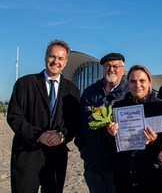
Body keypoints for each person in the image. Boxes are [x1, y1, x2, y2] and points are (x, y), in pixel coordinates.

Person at [7, 40, 81, 193]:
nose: (56, 61)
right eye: (52, 56)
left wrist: (63, 135)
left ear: (66, 62)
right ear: (45, 57)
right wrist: (38, 135)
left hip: (56, 156)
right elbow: (14, 116)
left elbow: (75, 122)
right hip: (27, 153)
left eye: (61, 58)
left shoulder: (72, 90)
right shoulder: (25, 83)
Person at [107, 65, 162, 193]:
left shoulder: (161, 106)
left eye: (142, 80)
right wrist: (110, 133)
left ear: (149, 82)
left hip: (153, 177)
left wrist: (156, 141)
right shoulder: (118, 107)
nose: (137, 85)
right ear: (128, 83)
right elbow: (111, 145)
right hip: (125, 177)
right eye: (133, 81)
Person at [74, 53, 129, 193]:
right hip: (93, 162)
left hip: (118, 165)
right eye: (107, 66)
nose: (111, 69)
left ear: (123, 69)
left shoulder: (129, 92)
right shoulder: (90, 92)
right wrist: (84, 148)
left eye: (115, 66)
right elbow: (79, 122)